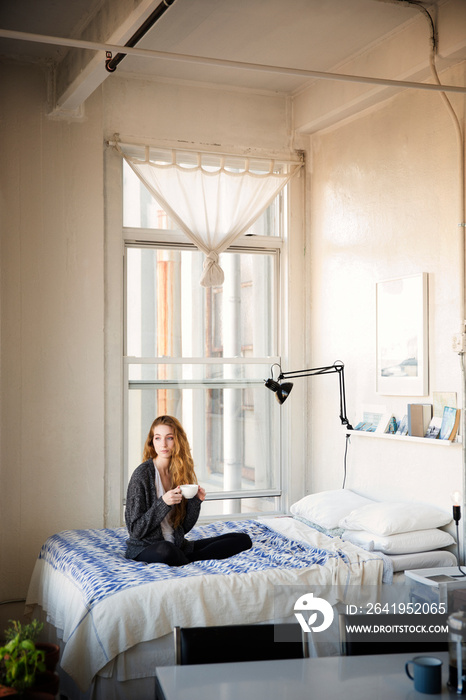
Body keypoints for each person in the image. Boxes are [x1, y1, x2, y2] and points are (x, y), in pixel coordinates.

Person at [125, 415, 253, 566]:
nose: (163, 444)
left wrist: (195, 502)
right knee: (167, 550)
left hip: (178, 545)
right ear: (151, 442)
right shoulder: (142, 474)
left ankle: (187, 557)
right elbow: (135, 530)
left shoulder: (179, 473)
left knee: (242, 539)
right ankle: (190, 559)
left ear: (177, 441)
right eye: (157, 438)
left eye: (169, 438)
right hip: (146, 547)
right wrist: (163, 503)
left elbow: (183, 528)